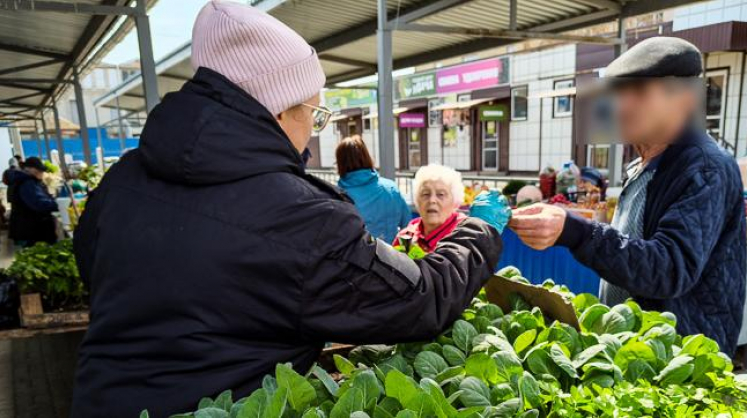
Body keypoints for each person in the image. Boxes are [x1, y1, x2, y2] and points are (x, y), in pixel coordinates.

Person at [70, 2, 511, 417]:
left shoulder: (122, 178)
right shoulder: (303, 216)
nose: (313, 132)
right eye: (315, 114)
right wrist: (480, 229)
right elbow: (421, 300)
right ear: (279, 111)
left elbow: (94, 268)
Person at [509, 37, 747, 355]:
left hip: (680, 357)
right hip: (637, 349)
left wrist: (577, 232)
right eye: (619, 92)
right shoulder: (642, 165)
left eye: (640, 92)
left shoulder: (705, 169)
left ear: (686, 100)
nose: (622, 105)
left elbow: (670, 268)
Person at [336, 135, 411, 242]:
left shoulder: (337, 197)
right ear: (366, 157)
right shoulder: (391, 188)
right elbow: (408, 226)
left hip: (358, 253)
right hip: (391, 252)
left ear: (340, 163)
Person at [393, 164, 466, 253]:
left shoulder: (464, 237)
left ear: (455, 202)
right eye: (425, 194)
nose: (432, 200)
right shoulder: (405, 238)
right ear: (417, 200)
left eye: (440, 194)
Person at [8, 157, 59, 247]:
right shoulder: (27, 183)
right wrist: (59, 204)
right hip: (32, 233)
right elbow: (39, 204)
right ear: (29, 169)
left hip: (31, 231)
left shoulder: (28, 180)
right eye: (39, 170)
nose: (42, 173)